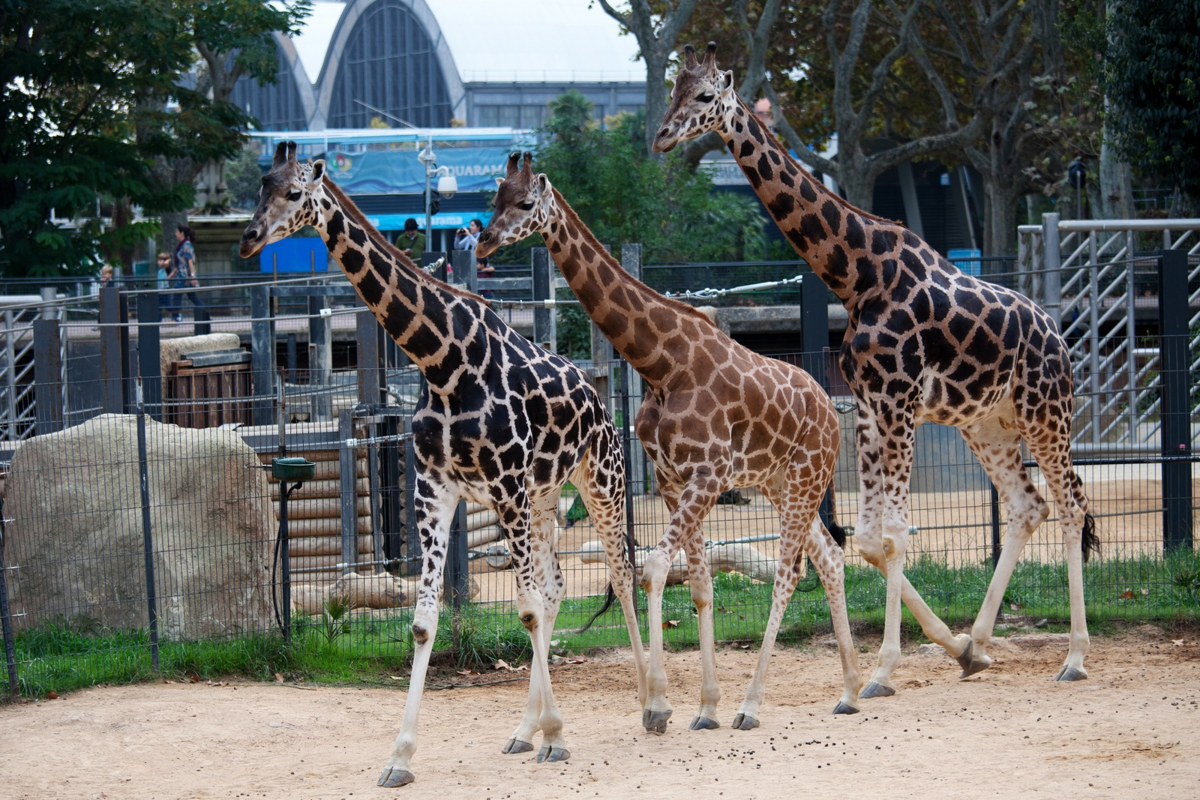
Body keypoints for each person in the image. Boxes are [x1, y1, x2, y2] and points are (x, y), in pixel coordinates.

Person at [171, 224, 205, 323]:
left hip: (184, 276)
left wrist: (192, 276)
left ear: (182, 233)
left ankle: (175, 317)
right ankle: (204, 312)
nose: (175, 234)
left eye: (177, 232)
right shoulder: (182, 245)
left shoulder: (186, 245)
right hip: (182, 275)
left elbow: (190, 261)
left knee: (177, 295)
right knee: (191, 296)